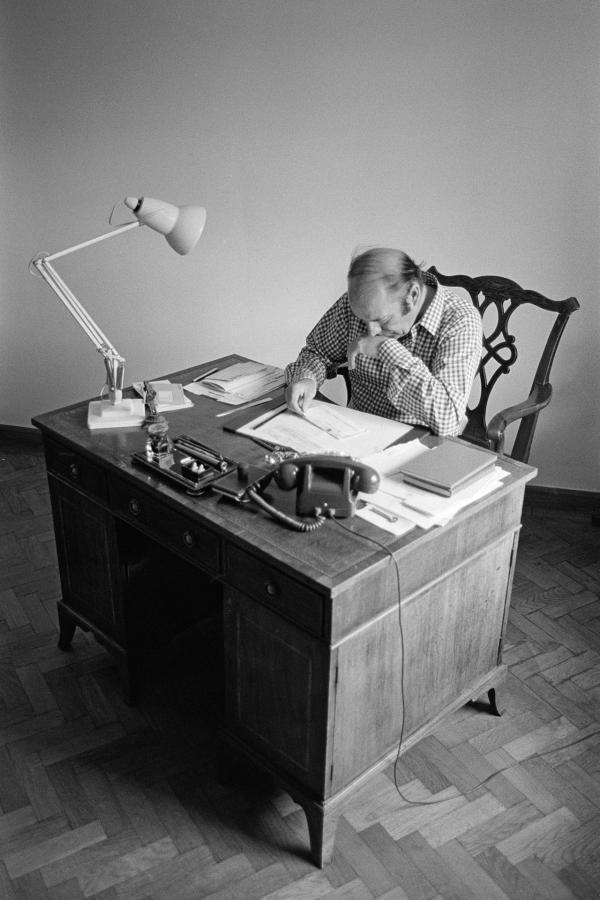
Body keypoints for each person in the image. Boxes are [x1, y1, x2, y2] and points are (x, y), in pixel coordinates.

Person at [284, 247, 482, 436]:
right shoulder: (366, 303)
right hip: (355, 431)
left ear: (412, 295)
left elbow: (448, 420)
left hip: (421, 443)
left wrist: (386, 349)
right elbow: (317, 352)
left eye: (383, 320)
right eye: (364, 320)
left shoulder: (461, 321)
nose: (371, 330)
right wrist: (307, 379)